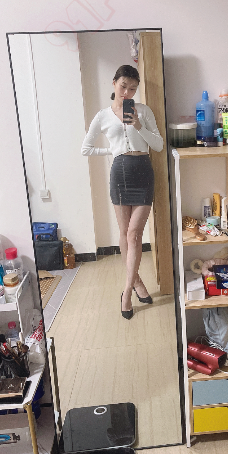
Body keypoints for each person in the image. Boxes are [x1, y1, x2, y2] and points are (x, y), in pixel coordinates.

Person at [81, 64, 163, 319]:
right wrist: (115, 151)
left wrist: (139, 125)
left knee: (134, 234)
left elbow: (158, 145)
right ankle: (136, 281)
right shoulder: (103, 116)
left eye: (132, 89)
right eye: (123, 86)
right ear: (114, 83)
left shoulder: (144, 111)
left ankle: (126, 291)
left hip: (143, 171)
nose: (127, 92)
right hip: (120, 174)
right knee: (125, 233)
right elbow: (86, 148)